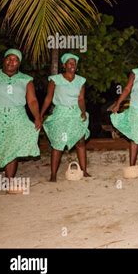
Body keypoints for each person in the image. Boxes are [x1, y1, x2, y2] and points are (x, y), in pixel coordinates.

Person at [0, 49, 41, 182]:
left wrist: (37, 116)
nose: (11, 62)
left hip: (17, 117)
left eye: (15, 60)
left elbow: (32, 100)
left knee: (12, 149)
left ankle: (9, 183)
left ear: (19, 64)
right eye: (9, 58)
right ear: (4, 60)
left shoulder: (26, 80)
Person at [41, 53, 91, 181]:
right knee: (58, 143)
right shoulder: (55, 79)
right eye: (69, 63)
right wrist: (40, 114)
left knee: (80, 141)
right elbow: (48, 98)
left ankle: (84, 171)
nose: (72, 65)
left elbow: (81, 99)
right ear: (64, 65)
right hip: (61, 114)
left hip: (75, 113)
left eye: (74, 63)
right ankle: (53, 175)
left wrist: (83, 112)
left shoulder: (80, 80)